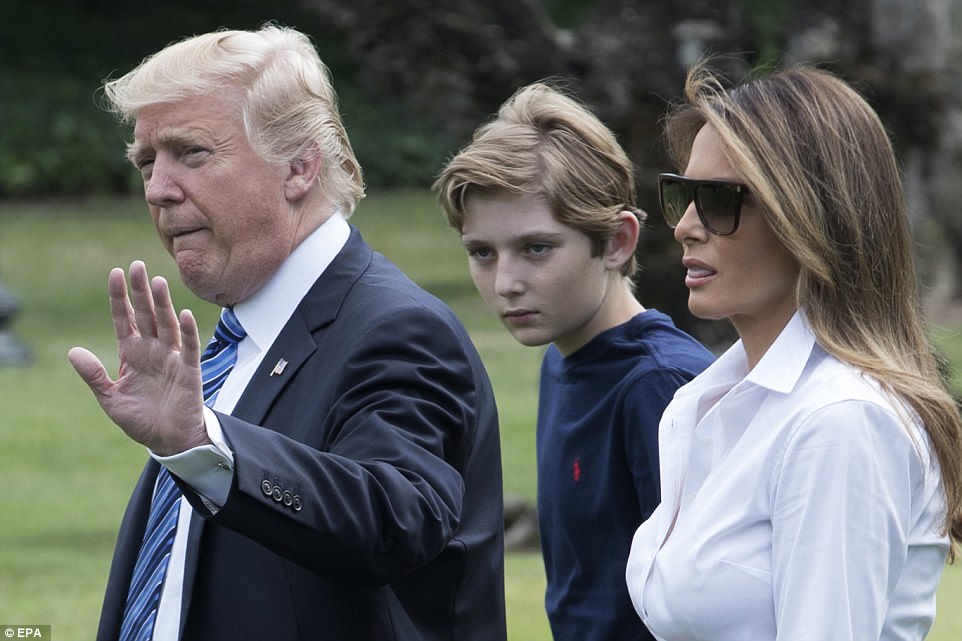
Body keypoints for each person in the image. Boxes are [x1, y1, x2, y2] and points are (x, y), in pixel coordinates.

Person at [68, 25, 506, 641]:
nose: (158, 190)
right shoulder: (233, 342)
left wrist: (202, 442)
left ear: (299, 167)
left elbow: (393, 524)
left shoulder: (398, 329)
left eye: (191, 152)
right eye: (147, 162)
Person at [625, 60, 962, 641]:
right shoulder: (704, 402)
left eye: (719, 200)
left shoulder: (841, 420)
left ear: (809, 216)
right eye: (682, 195)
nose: (684, 227)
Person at [434, 82, 715, 641]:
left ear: (617, 242)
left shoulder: (661, 386)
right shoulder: (562, 360)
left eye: (536, 248)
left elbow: (706, 609)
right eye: (482, 253)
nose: (505, 282)